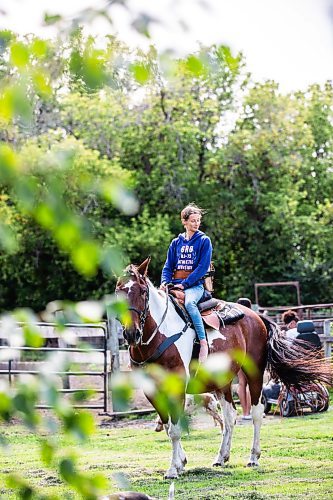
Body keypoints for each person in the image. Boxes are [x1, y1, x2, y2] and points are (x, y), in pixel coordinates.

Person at [160, 203, 212, 363]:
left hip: (195, 285)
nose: (196, 223)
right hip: (174, 283)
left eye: (198, 220)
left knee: (189, 304)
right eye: (193, 221)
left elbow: (202, 267)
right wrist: (164, 282)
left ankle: (203, 343)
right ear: (184, 222)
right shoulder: (176, 242)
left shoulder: (204, 240)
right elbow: (168, 266)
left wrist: (186, 284)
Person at [236, 298, 252, 420]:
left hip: (239, 354)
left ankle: (245, 413)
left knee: (242, 383)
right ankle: (250, 411)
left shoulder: (235, 319)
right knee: (250, 383)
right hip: (250, 355)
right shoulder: (251, 320)